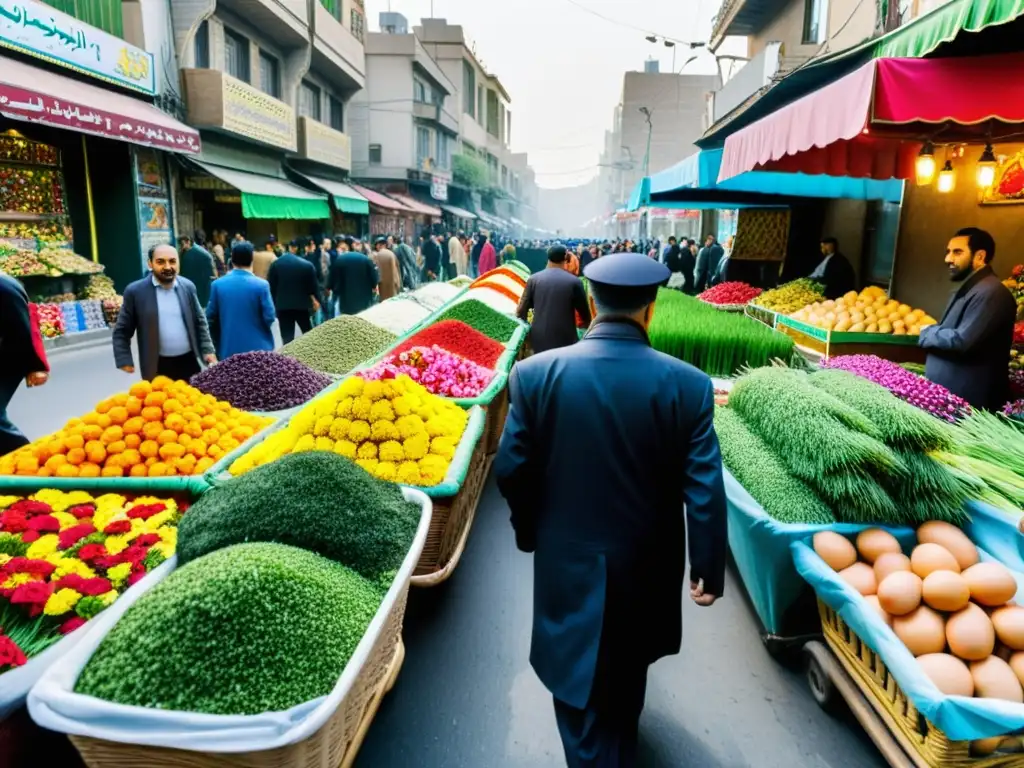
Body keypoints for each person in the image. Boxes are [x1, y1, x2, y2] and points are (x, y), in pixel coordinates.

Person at [495, 251, 727, 767]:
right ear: (651, 310)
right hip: (647, 564)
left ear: (591, 305)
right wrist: (707, 569)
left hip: (567, 559)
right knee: (628, 668)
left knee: (577, 683)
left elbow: (510, 468)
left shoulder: (534, 376)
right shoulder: (688, 385)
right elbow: (705, 487)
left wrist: (531, 530)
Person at [919, 227, 1017, 411]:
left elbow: (963, 341)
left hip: (970, 404)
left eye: (957, 252)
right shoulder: (976, 288)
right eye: (948, 252)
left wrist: (927, 332)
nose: (948, 259)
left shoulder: (991, 293)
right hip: (953, 399)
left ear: (980, 256)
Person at [113, 244, 217, 381]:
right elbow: (122, 330)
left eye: (172, 261)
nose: (167, 267)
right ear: (150, 263)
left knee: (191, 400)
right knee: (161, 402)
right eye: (160, 262)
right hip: (157, 366)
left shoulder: (187, 287)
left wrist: (207, 350)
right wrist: (123, 358)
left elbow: (200, 321)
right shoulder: (135, 292)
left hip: (189, 362)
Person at [0, 273, 49, 455]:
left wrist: (34, 366)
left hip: (8, 358)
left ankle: (28, 459)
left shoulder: (4, 286)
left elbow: (23, 331)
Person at [205, 241, 277, 359]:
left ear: (232, 260)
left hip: (228, 350)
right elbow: (270, 317)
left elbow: (209, 316)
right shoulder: (262, 285)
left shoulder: (218, 285)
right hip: (259, 350)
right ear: (251, 259)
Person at [516, 245, 592, 355]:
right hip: (566, 339)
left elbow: (521, 310)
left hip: (539, 338)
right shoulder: (574, 282)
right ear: (565, 257)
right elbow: (585, 314)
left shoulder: (534, 279)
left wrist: (527, 333)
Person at [268, 240, 321, 344]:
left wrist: (274, 304)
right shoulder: (307, 265)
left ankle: (288, 358)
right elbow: (313, 287)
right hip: (302, 305)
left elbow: (272, 287)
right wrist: (318, 301)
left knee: (287, 338)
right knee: (308, 334)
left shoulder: (276, 264)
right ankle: (311, 355)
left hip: (283, 306)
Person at [329, 239, 379, 315]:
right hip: (364, 303)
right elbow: (374, 281)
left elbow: (331, 282)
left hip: (345, 303)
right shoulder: (366, 259)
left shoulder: (339, 260)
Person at [178, 231, 216, 310]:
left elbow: (209, 261)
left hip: (200, 285)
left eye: (182, 244)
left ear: (188, 242)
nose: (181, 247)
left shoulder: (199, 252)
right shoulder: (186, 252)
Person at [372, 237, 401, 301]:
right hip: (393, 287)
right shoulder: (392, 254)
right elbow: (397, 270)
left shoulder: (375, 255)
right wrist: (398, 285)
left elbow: (374, 272)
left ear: (379, 245)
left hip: (381, 288)